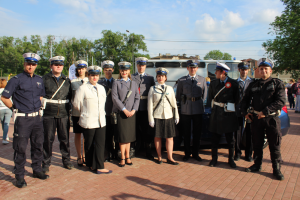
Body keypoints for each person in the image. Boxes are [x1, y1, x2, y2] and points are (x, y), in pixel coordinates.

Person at [1, 53, 49, 188]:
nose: (31, 66)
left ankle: (37, 170)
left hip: (37, 118)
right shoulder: (16, 79)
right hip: (23, 119)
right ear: (24, 64)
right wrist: (15, 108)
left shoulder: (39, 80)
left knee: (38, 145)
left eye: (33, 64)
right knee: (20, 148)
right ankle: (20, 176)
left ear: (36, 66)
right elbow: (4, 97)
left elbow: (40, 96)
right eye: (28, 63)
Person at [241, 58, 285, 180]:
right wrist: (245, 112)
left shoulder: (277, 83)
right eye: (261, 69)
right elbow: (245, 100)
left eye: (266, 69)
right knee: (257, 144)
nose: (263, 71)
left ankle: (276, 169)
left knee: (274, 145)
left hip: (271, 119)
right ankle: (257, 164)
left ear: (270, 71)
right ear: (258, 71)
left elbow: (281, 101)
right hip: (256, 119)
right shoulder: (253, 84)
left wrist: (265, 112)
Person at [73, 65, 112, 174]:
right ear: (88, 76)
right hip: (88, 120)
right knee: (89, 144)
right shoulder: (83, 88)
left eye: (96, 75)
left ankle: (99, 166)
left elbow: (103, 103)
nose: (94, 77)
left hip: (100, 120)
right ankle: (90, 164)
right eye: (92, 75)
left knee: (100, 144)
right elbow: (76, 104)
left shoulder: (101, 88)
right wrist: (85, 111)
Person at [42, 56, 73, 173]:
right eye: (56, 64)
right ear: (51, 66)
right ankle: (46, 163)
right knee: (48, 139)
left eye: (60, 65)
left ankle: (66, 161)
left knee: (64, 139)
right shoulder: (44, 79)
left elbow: (70, 97)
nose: (58, 66)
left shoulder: (67, 80)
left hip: (64, 113)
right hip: (49, 113)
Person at [208, 62, 239, 168]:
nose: (215, 73)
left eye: (217, 71)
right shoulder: (213, 83)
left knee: (230, 140)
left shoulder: (234, 84)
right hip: (216, 114)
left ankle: (231, 160)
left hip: (229, 115)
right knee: (215, 139)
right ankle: (214, 159)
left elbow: (237, 100)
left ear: (223, 72)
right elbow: (210, 99)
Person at [176, 60, 207, 162]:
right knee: (186, 133)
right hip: (186, 109)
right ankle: (187, 153)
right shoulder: (181, 80)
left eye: (194, 67)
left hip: (198, 109)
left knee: (197, 133)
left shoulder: (202, 80)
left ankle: (196, 153)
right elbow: (178, 96)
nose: (193, 69)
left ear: (197, 68)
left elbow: (204, 95)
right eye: (191, 67)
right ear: (187, 68)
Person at [148, 68, 179, 165]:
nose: (161, 78)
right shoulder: (152, 89)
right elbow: (149, 105)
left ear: (166, 78)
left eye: (162, 76)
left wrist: (176, 116)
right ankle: (160, 157)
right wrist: (151, 119)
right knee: (158, 137)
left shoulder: (169, 89)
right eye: (159, 76)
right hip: (157, 116)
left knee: (170, 138)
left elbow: (174, 104)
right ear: (156, 77)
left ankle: (170, 157)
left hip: (168, 116)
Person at [112, 61, 140, 167]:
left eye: (126, 70)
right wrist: (124, 109)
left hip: (131, 114)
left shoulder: (134, 83)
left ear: (129, 71)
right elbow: (115, 98)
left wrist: (134, 110)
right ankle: (122, 157)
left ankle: (128, 156)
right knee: (122, 137)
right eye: (122, 70)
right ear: (120, 71)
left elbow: (137, 98)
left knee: (128, 137)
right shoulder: (116, 82)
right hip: (121, 113)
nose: (124, 72)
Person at [131, 57, 155, 160]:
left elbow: (153, 92)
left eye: (143, 65)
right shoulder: (131, 77)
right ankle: (133, 150)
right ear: (137, 66)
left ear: (145, 66)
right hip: (134, 108)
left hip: (146, 107)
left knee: (147, 130)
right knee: (133, 129)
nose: (141, 67)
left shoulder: (150, 78)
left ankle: (148, 151)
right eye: (139, 65)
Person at [234, 62, 254, 162]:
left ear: (248, 70)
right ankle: (237, 153)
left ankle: (248, 154)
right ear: (239, 70)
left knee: (249, 133)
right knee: (237, 134)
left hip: (249, 111)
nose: (244, 71)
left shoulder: (253, 82)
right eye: (242, 69)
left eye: (245, 69)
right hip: (238, 111)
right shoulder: (234, 82)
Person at [98, 60, 117, 162]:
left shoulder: (116, 82)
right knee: (106, 135)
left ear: (113, 70)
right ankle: (107, 153)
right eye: (106, 70)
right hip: (105, 112)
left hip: (114, 112)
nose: (108, 72)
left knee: (115, 134)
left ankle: (115, 152)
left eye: (110, 70)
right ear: (103, 71)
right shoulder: (100, 83)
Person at [71, 60, 88, 166]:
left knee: (86, 136)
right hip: (76, 113)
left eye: (83, 68)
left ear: (86, 69)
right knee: (78, 135)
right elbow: (71, 98)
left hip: (87, 113)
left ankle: (85, 155)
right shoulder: (72, 82)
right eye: (79, 69)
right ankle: (79, 156)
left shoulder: (90, 81)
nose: (81, 70)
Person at [0, 79, 13, 144]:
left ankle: (5, 136)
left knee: (3, 123)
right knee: (6, 123)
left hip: (0, 109)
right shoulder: (7, 90)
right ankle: (5, 138)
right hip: (8, 108)